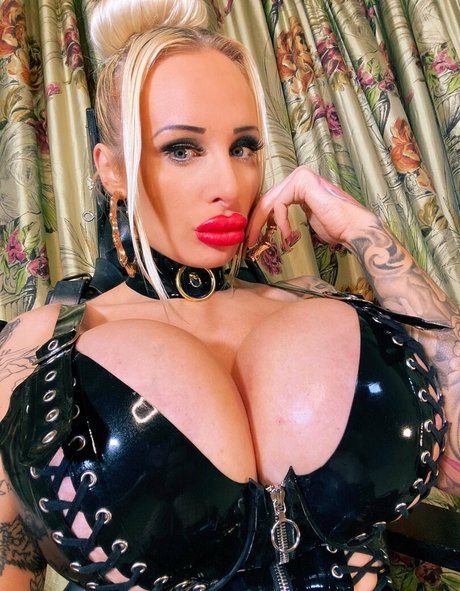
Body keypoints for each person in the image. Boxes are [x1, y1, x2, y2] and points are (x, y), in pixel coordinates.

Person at [0, 1, 458, 590]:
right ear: (111, 169)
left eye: (243, 147)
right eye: (182, 149)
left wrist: (363, 230)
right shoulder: (45, 346)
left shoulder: (314, 304)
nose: (228, 184)